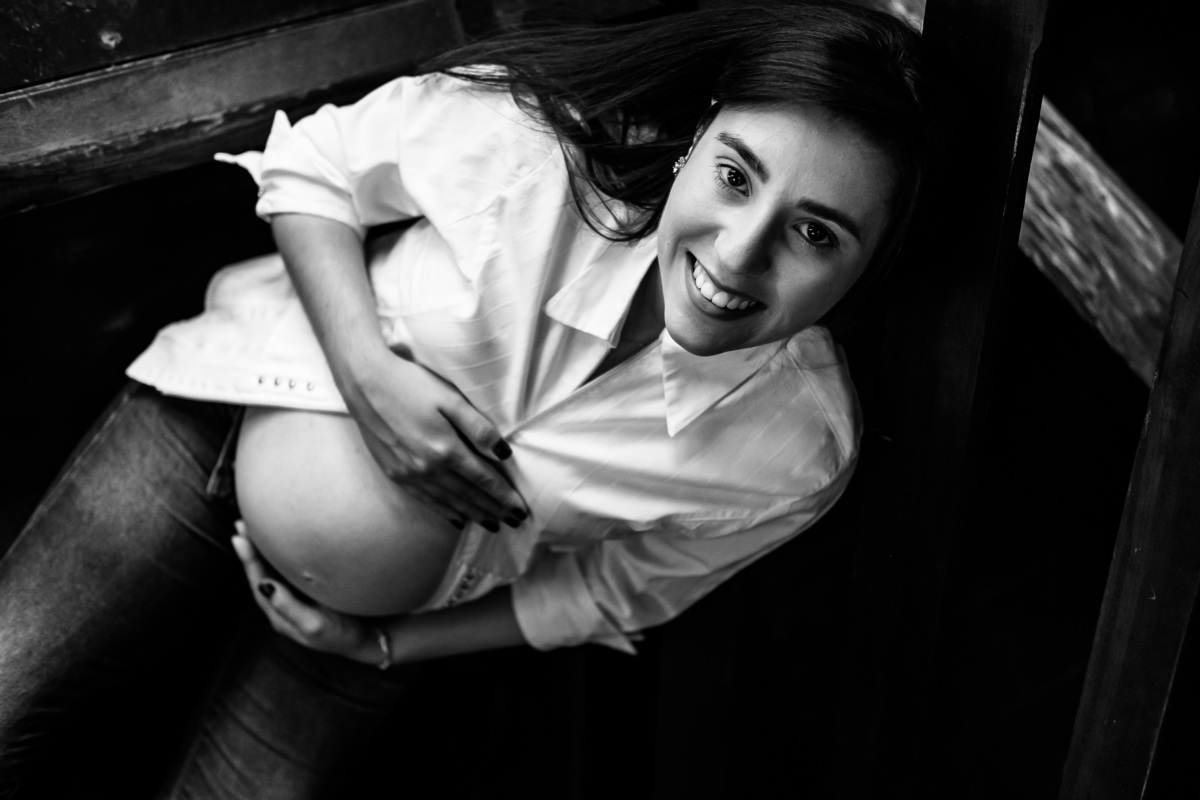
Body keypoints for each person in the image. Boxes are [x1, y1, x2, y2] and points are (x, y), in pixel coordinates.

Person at [0, 1, 929, 796]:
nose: (736, 253)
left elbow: (613, 593)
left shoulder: (795, 452)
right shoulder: (538, 151)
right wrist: (367, 375)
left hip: (381, 620)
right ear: (699, 137)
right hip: (218, 412)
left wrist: (383, 648)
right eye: (734, 176)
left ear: (872, 266)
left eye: (816, 234)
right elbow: (315, 168)